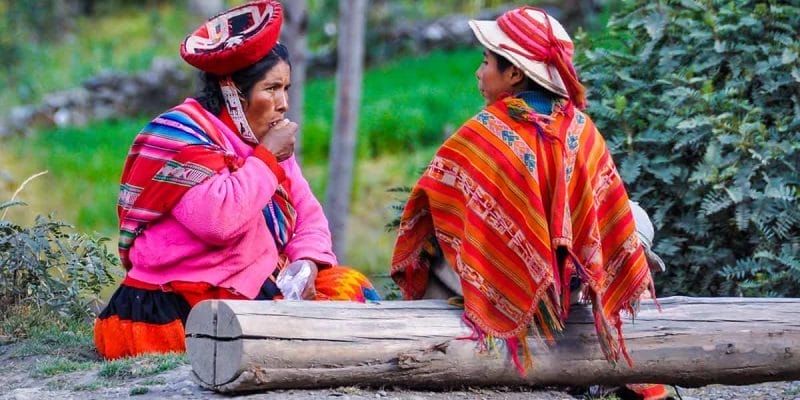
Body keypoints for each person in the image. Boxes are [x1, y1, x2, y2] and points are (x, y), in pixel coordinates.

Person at [390, 7, 667, 400]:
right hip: (571, 290)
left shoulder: (482, 135)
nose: (478, 73)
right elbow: (608, 211)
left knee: (439, 239)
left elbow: (423, 213)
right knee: (635, 220)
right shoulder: (582, 129)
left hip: (501, 288)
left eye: (486, 62)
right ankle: (604, 350)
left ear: (515, 74)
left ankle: (491, 329)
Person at [95, 0, 379, 360]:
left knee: (352, 287)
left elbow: (308, 213)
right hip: (177, 305)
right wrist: (266, 159)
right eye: (271, 89)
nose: (283, 103)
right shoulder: (182, 139)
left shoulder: (262, 141)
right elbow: (219, 221)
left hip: (247, 285)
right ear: (233, 93)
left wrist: (307, 262)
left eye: (286, 88)